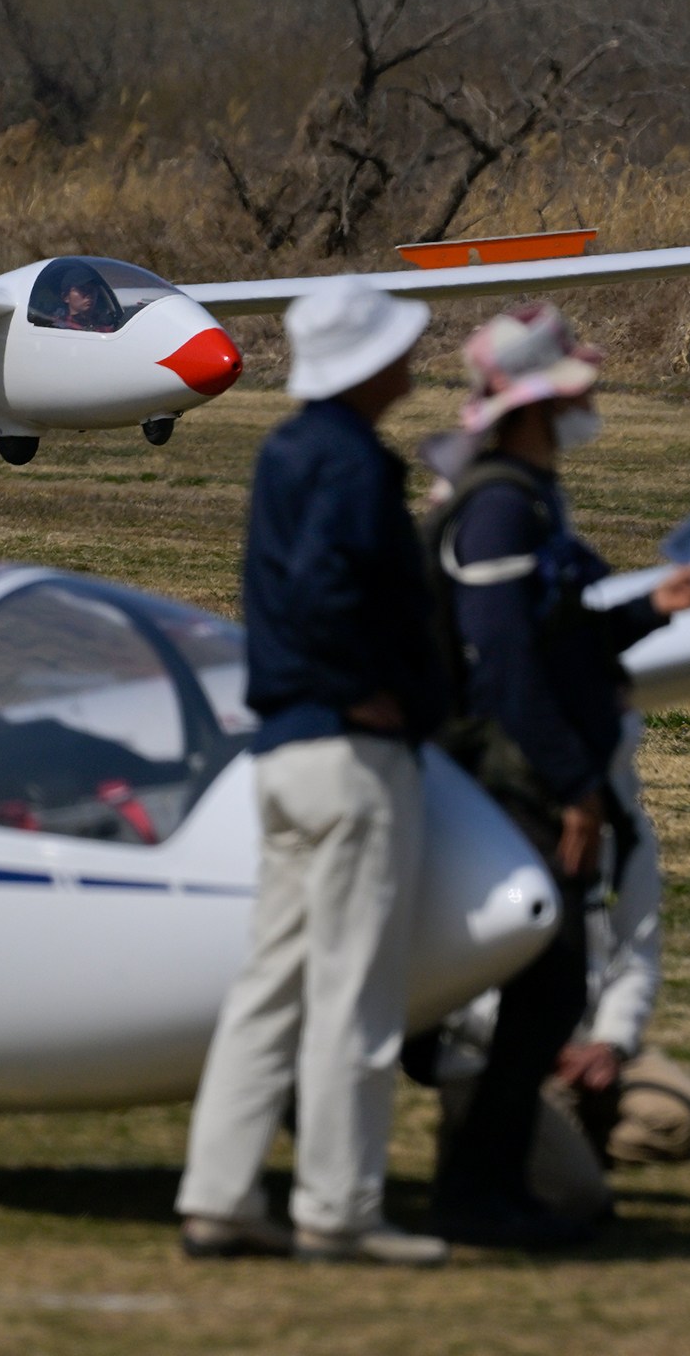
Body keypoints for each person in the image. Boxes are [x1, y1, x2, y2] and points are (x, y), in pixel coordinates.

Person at [414, 302, 690, 1249]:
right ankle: (479, 1190)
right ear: (537, 407)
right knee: (542, 994)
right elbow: (505, 666)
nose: (589, 403)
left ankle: (489, 1184)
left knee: (549, 993)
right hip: (513, 783)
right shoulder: (502, 506)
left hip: (524, 776)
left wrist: (650, 610)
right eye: (576, 391)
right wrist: (575, 785)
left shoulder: (526, 497)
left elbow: (557, 635)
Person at [175, 281, 450, 1268]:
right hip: (347, 752)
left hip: (284, 749)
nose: (411, 362)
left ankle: (218, 1195)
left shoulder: (286, 450)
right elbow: (328, 588)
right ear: (367, 364)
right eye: (397, 349)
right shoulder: (351, 463)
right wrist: (364, 689)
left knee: (271, 984)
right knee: (353, 992)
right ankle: (338, 1207)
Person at [413, 716, 690, 1227]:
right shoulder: (495, 827)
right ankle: (509, 1155)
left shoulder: (628, 832)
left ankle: (546, 1152)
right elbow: (463, 967)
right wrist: (539, 1042)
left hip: (588, 1046)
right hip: (499, 1051)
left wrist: (610, 1044)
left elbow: (638, 954)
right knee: (577, 1203)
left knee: (687, 1119)